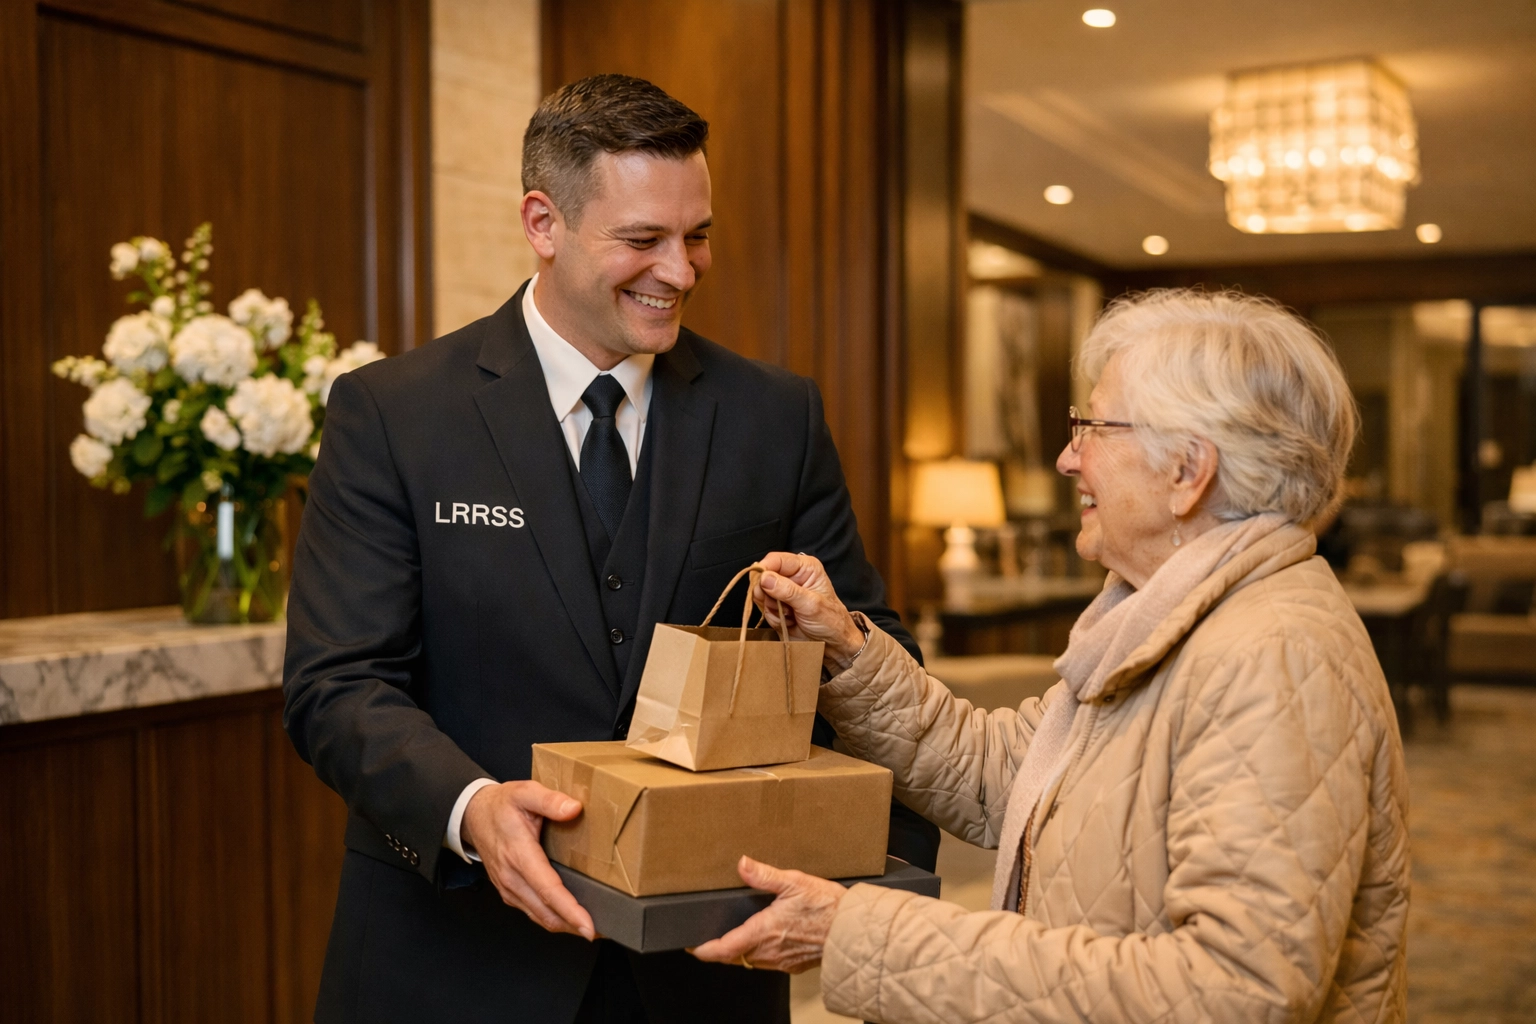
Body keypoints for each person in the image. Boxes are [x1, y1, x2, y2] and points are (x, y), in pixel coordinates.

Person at [282, 74, 933, 1024]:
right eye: (643, 240)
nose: (682, 269)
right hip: (449, 967)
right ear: (543, 223)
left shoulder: (774, 417)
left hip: (702, 973)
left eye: (697, 235)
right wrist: (470, 811)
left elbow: (877, 656)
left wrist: (875, 878)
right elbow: (336, 684)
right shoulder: (393, 412)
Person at [694, 289, 1411, 1023]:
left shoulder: (1274, 658)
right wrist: (845, 649)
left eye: (1093, 426)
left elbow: (1231, 992)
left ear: (1188, 472)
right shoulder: (1162, 616)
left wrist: (859, 933)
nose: (1069, 458)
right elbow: (1005, 776)